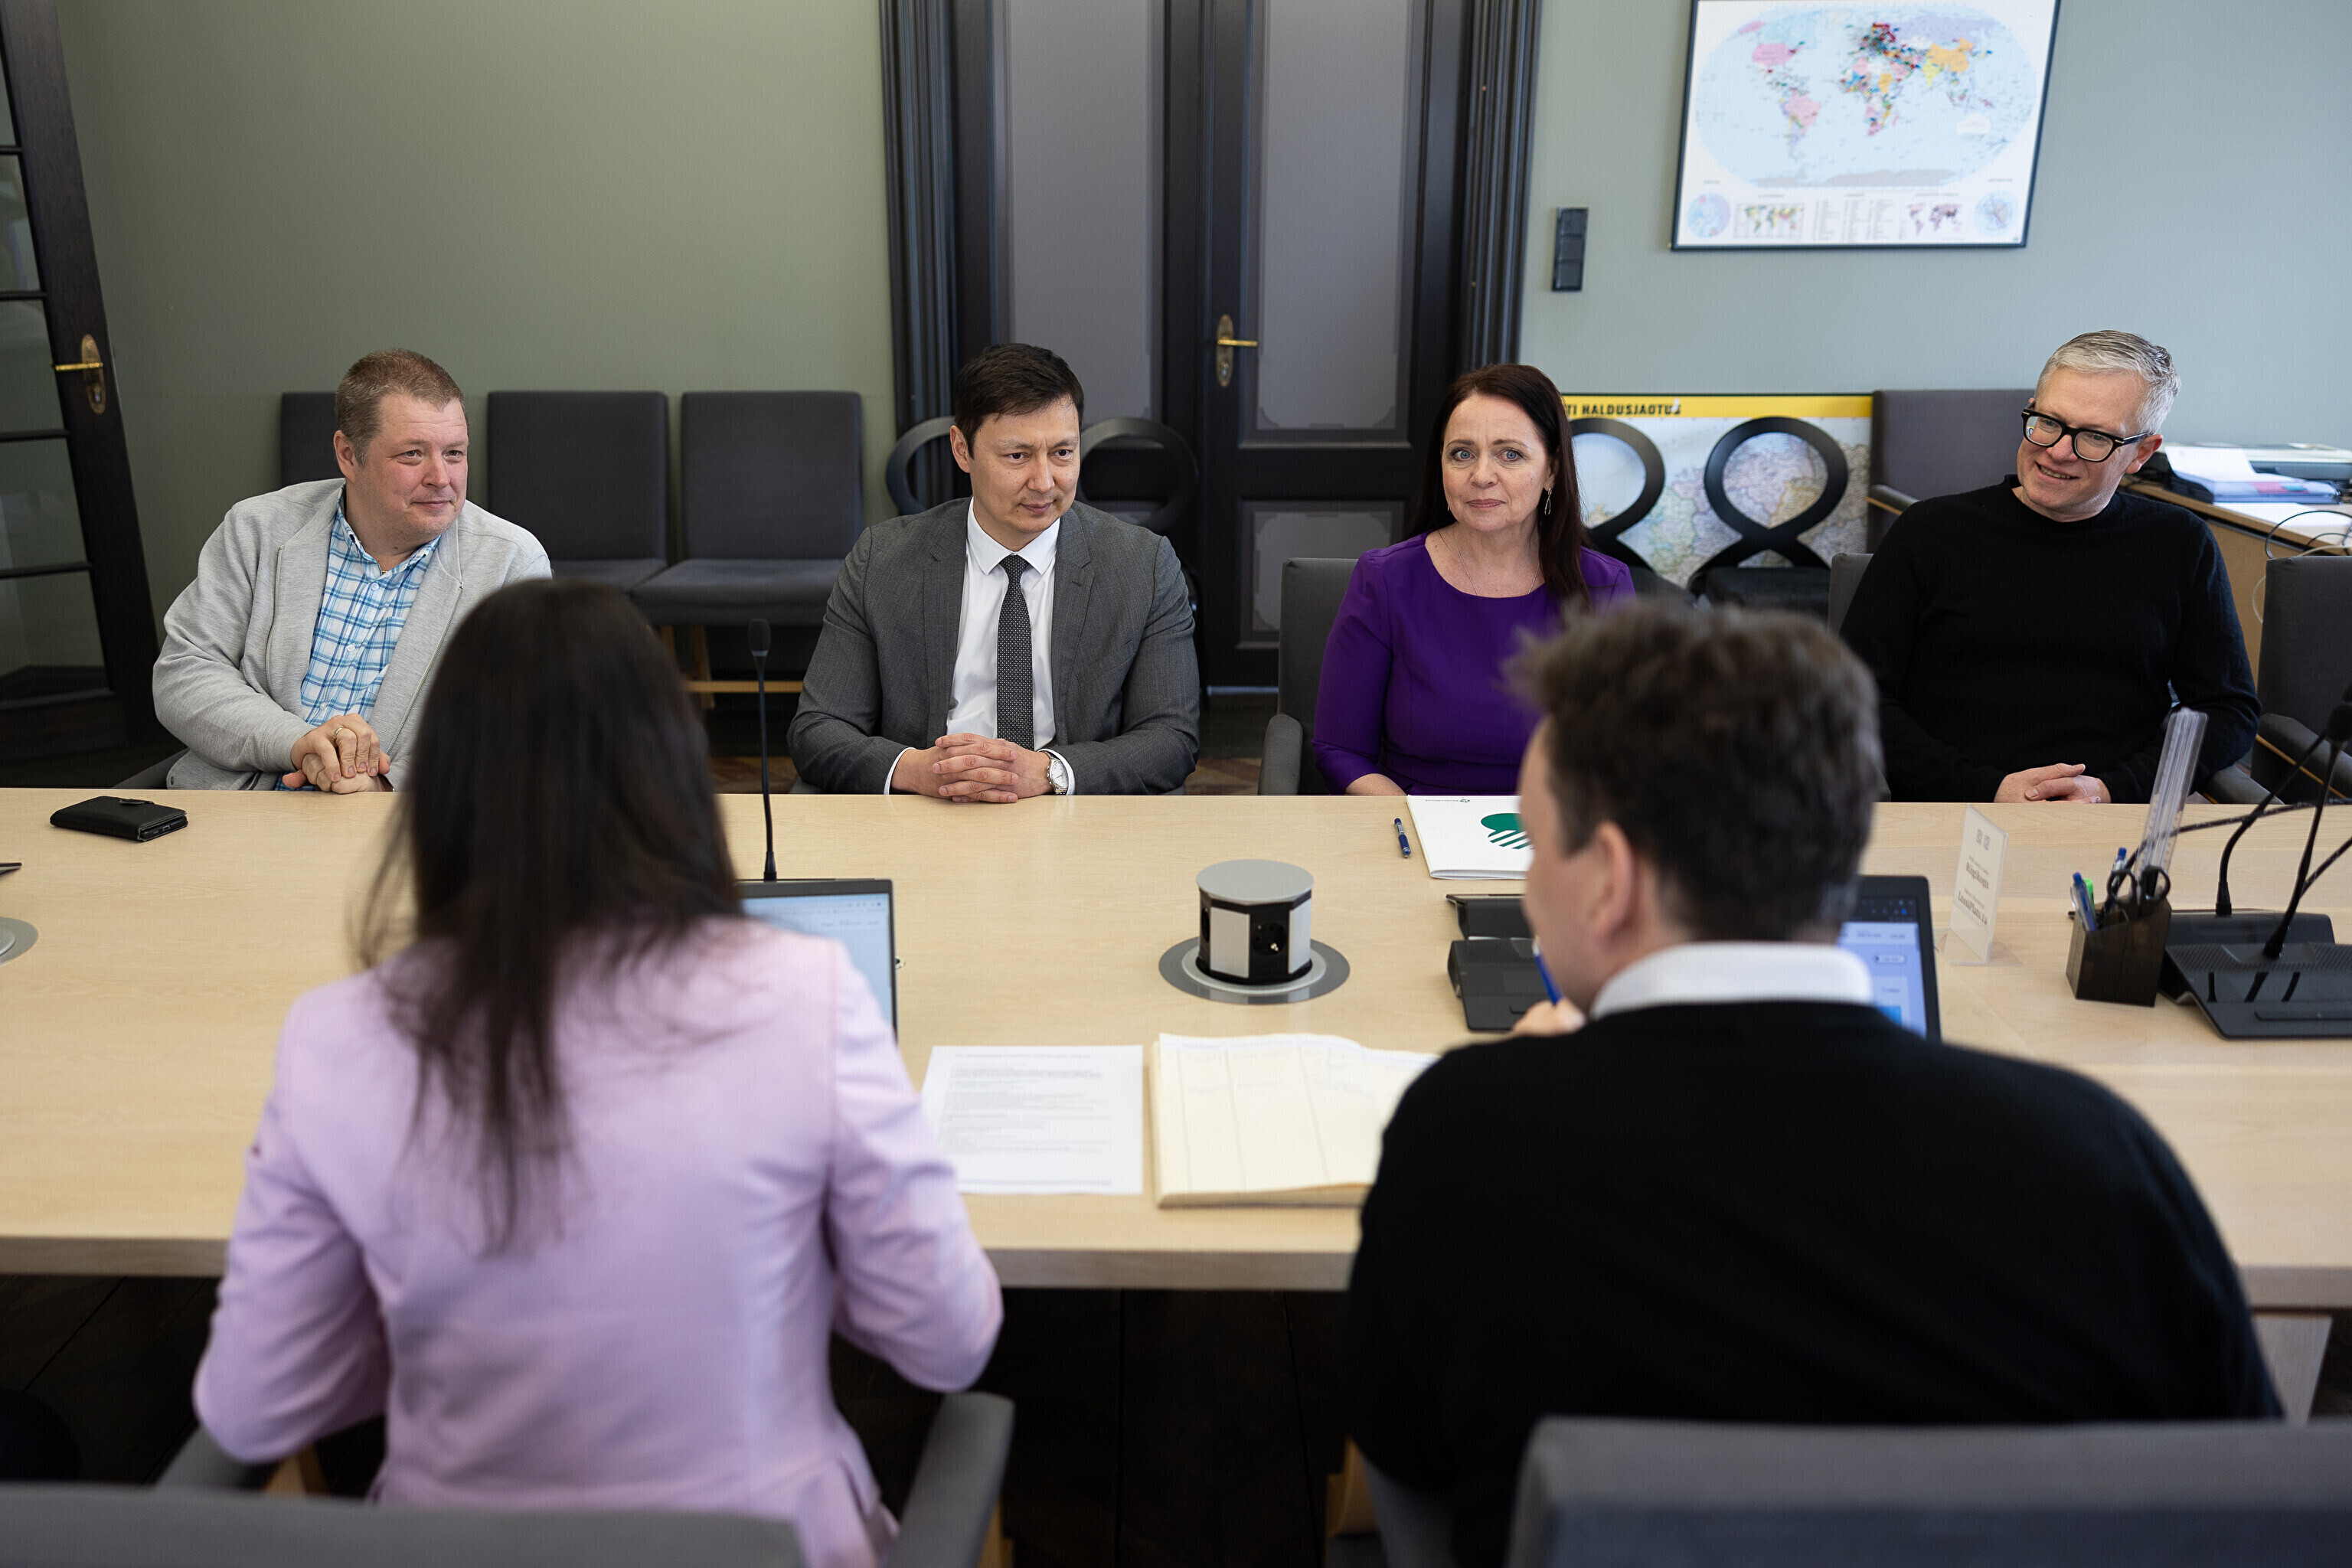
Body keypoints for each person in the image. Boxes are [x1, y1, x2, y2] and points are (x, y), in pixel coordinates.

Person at [1342, 603, 2278, 1568]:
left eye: (1539, 847)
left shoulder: (1470, 1131)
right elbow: (2260, 1501)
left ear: (1609, 879)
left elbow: (1406, 1462)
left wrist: (1516, 1084)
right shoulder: (2100, 1161)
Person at [192, 580, 1001, 1568]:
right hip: (767, 1538)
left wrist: (431, 1322)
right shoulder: (807, 994)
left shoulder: (333, 1038)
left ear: (442, 786)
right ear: (673, 772)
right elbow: (949, 1338)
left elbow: (253, 1406)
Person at [1841, 330, 2257, 803]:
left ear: (2141, 452)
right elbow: (1853, 696)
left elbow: (2228, 709)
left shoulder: (2180, 544)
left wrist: (2113, 789)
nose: (2058, 451)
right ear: (2032, 409)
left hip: (2110, 820)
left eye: (2095, 436)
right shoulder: (1930, 532)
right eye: (2048, 422)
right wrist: (1986, 789)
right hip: (1953, 810)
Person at [789, 343, 1198, 798]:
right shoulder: (881, 561)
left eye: (1063, 452)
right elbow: (818, 728)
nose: (1045, 482)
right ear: (962, 450)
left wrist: (1050, 772)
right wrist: (916, 770)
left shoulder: (1143, 566)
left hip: (1071, 810)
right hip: (927, 808)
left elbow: (1171, 739)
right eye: (1017, 456)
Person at [153, 349, 548, 792]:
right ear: (348, 455)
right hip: (231, 810)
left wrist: (384, 786)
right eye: (412, 454)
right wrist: (296, 742)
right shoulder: (257, 528)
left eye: (454, 453)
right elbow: (185, 672)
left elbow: (515, 726)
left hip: (399, 818)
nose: (441, 477)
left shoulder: (512, 564)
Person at [1313, 363, 1633, 795]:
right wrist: (1413, 822)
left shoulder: (1604, 589)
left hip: (1550, 826)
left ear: (1552, 470)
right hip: (1414, 821)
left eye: (1510, 454)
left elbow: (1625, 755)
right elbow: (1340, 749)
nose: (1481, 476)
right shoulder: (1385, 580)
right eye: (1462, 454)